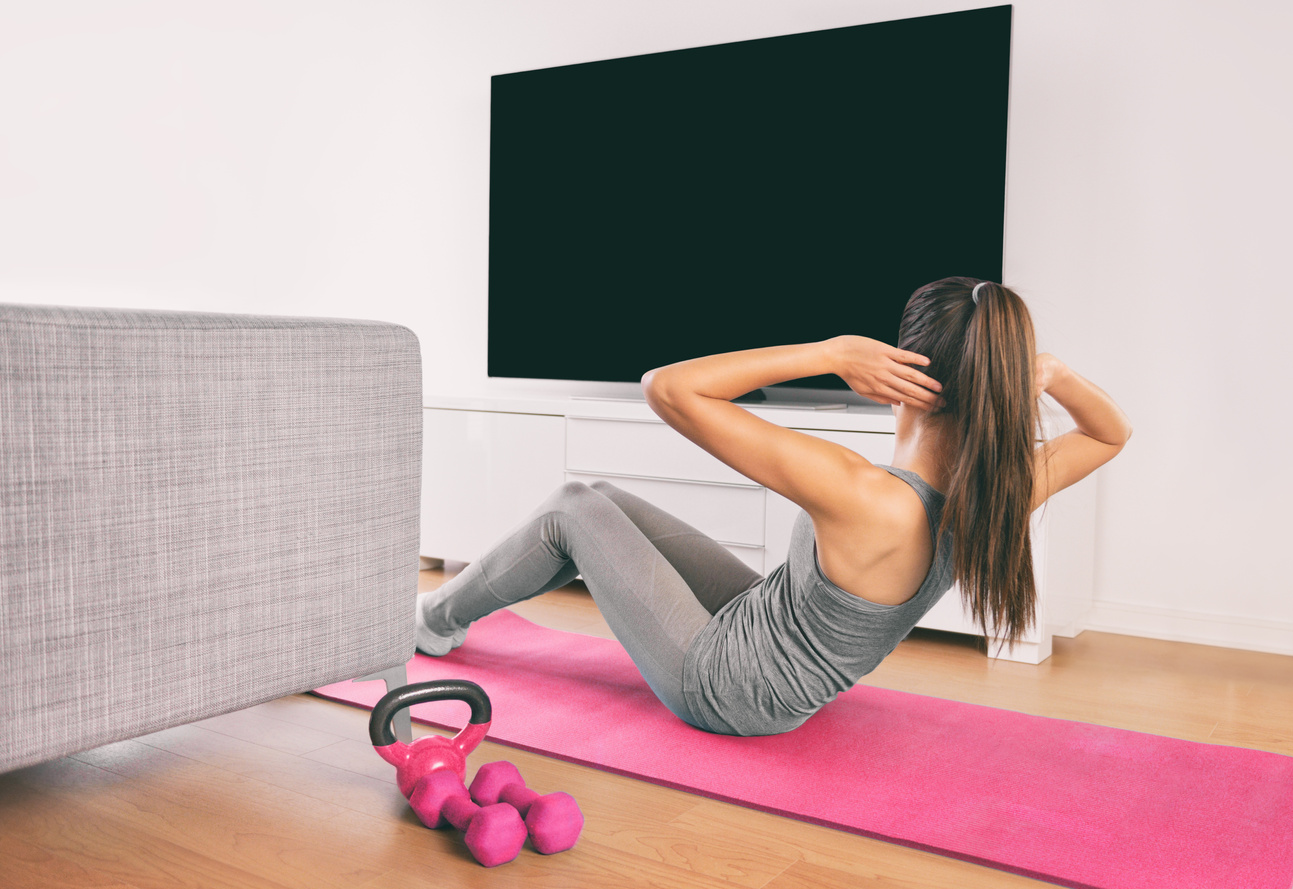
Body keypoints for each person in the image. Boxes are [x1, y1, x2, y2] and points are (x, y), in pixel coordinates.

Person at [416, 277, 1132, 735]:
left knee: (572, 505)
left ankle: (434, 621)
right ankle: (456, 612)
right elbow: (1110, 432)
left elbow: (666, 387)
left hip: (726, 687)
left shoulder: (864, 493)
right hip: (770, 648)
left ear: (898, 377)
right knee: (605, 499)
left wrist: (827, 352)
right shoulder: (998, 491)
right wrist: (1056, 374)